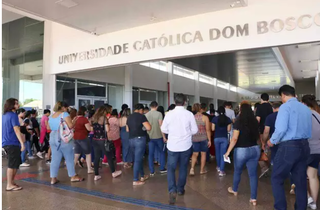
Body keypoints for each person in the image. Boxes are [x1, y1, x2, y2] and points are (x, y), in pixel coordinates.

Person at [267, 85, 311, 210]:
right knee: (300, 180)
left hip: (289, 147)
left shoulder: (285, 107)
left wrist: (272, 141)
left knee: (277, 178)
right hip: (304, 146)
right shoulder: (305, 108)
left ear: (283, 95)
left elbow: (281, 129)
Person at [161, 93, 198, 205]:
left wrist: (173, 132)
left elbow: (164, 129)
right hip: (185, 146)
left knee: (171, 169)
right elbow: (195, 130)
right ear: (185, 102)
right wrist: (186, 133)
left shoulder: (169, 114)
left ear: (174, 101)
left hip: (172, 146)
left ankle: (172, 190)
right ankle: (180, 189)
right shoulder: (189, 114)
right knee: (183, 168)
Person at [224, 103, 260, 206]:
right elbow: (258, 137)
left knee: (238, 171)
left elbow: (234, 139)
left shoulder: (238, 121)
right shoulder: (255, 122)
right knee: (253, 175)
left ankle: (235, 189)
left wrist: (228, 152)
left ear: (240, 110)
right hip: (254, 149)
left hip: (241, 150)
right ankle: (253, 198)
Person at [48, 101, 83, 185]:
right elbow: (70, 126)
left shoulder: (51, 116)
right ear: (63, 107)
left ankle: (53, 178)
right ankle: (73, 176)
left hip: (53, 136)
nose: (67, 109)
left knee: (55, 158)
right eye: (67, 108)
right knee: (69, 157)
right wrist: (74, 121)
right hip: (63, 137)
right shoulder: (65, 114)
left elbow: (48, 127)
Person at [92, 106, 122, 181]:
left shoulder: (94, 118)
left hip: (95, 139)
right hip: (103, 140)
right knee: (109, 156)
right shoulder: (104, 118)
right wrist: (107, 123)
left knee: (97, 157)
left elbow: (92, 128)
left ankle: (96, 175)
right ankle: (113, 172)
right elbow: (107, 129)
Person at [301, 95, 320, 210]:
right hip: (318, 149)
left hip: (306, 149)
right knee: (313, 176)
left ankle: (308, 198)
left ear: (303, 103)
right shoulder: (318, 115)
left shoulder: (305, 115)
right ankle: (314, 203)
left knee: (297, 174)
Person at [2, 98, 25, 191]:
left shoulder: (4, 115)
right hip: (12, 143)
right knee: (12, 164)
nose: (18, 105)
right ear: (12, 105)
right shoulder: (13, 115)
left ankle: (11, 182)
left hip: (7, 142)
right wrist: (22, 143)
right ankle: (9, 185)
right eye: (16, 103)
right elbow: (16, 130)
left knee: (15, 163)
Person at [127, 103, 151, 186]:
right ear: (141, 110)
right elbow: (148, 127)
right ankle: (135, 180)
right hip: (140, 139)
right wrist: (142, 128)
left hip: (131, 139)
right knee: (138, 159)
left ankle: (142, 175)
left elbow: (127, 129)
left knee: (138, 158)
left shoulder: (129, 117)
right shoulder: (141, 116)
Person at [146, 101, 167, 176]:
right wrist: (164, 137)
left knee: (151, 154)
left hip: (150, 137)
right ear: (157, 106)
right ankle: (162, 168)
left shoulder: (146, 115)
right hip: (159, 137)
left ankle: (152, 171)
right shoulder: (159, 114)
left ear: (150, 106)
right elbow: (161, 126)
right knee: (162, 152)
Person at [190, 103, 211, 176]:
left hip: (194, 138)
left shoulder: (192, 117)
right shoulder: (205, 117)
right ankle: (202, 170)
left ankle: (192, 169)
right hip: (203, 138)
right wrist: (210, 140)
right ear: (200, 108)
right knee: (203, 154)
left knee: (195, 153)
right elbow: (208, 130)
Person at [256, 93, 273, 177]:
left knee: (260, 148)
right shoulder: (271, 107)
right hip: (271, 131)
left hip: (262, 131)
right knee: (269, 148)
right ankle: (270, 165)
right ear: (268, 99)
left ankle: (263, 167)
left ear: (261, 99)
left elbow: (258, 120)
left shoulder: (259, 107)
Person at [73, 106, 94, 174]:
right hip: (83, 137)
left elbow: (72, 128)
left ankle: (72, 168)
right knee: (88, 154)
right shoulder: (84, 119)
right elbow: (89, 129)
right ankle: (89, 169)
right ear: (84, 112)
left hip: (75, 137)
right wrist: (93, 127)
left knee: (76, 154)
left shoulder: (75, 118)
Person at [212, 106, 232, 176]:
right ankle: (222, 171)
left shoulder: (215, 119)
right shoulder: (228, 119)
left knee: (217, 153)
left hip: (216, 138)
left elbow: (213, 129)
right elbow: (229, 130)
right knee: (223, 154)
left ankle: (218, 167)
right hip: (224, 138)